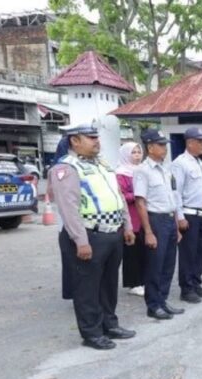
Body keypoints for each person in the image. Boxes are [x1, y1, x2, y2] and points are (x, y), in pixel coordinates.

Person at [49, 124, 136, 350]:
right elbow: (68, 208)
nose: (96, 141)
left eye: (96, 137)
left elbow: (118, 197)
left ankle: (110, 324)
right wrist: (81, 240)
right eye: (90, 137)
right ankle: (91, 333)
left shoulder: (102, 165)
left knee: (108, 284)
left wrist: (127, 225)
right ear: (75, 141)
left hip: (112, 232)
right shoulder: (66, 168)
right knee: (87, 287)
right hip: (89, 234)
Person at [134, 129, 184, 320]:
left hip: (169, 219)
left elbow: (174, 197)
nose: (165, 148)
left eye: (165, 145)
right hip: (155, 220)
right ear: (150, 147)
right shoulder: (143, 171)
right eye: (161, 145)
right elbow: (140, 202)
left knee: (168, 264)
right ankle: (153, 305)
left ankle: (162, 300)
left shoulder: (166, 169)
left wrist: (177, 225)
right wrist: (148, 232)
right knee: (155, 265)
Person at [171, 127, 202, 304]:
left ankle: (196, 283)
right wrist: (180, 217)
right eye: (200, 141)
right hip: (189, 214)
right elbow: (176, 192)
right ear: (189, 143)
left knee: (201, 252)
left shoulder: (200, 163)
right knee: (188, 254)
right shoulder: (180, 163)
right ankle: (187, 288)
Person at [115, 142, 146, 297]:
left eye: (139, 152)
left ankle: (143, 279)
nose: (137, 155)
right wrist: (137, 195)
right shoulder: (121, 173)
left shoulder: (143, 170)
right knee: (132, 252)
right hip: (131, 216)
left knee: (143, 250)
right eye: (133, 152)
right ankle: (134, 283)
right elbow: (120, 195)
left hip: (144, 215)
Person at [52, 136, 73, 301]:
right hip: (68, 222)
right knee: (72, 259)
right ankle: (73, 293)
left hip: (76, 221)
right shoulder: (62, 167)